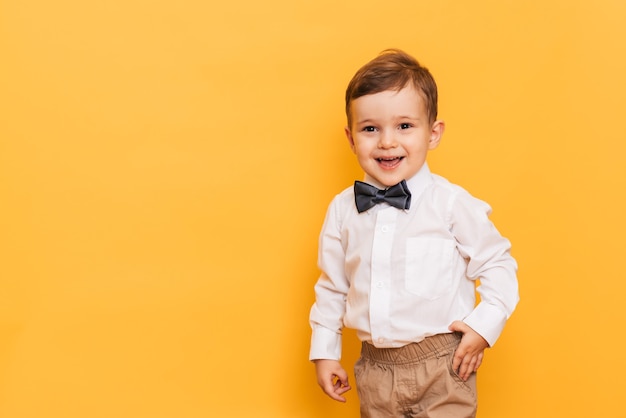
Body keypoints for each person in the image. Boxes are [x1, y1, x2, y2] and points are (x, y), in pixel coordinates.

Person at [309, 49, 519, 418]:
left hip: (443, 364)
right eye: (370, 128)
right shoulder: (343, 210)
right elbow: (332, 287)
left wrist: (483, 327)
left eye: (404, 126)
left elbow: (497, 262)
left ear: (433, 133)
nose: (387, 142)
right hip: (374, 370)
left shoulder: (451, 203)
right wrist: (325, 351)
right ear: (350, 137)